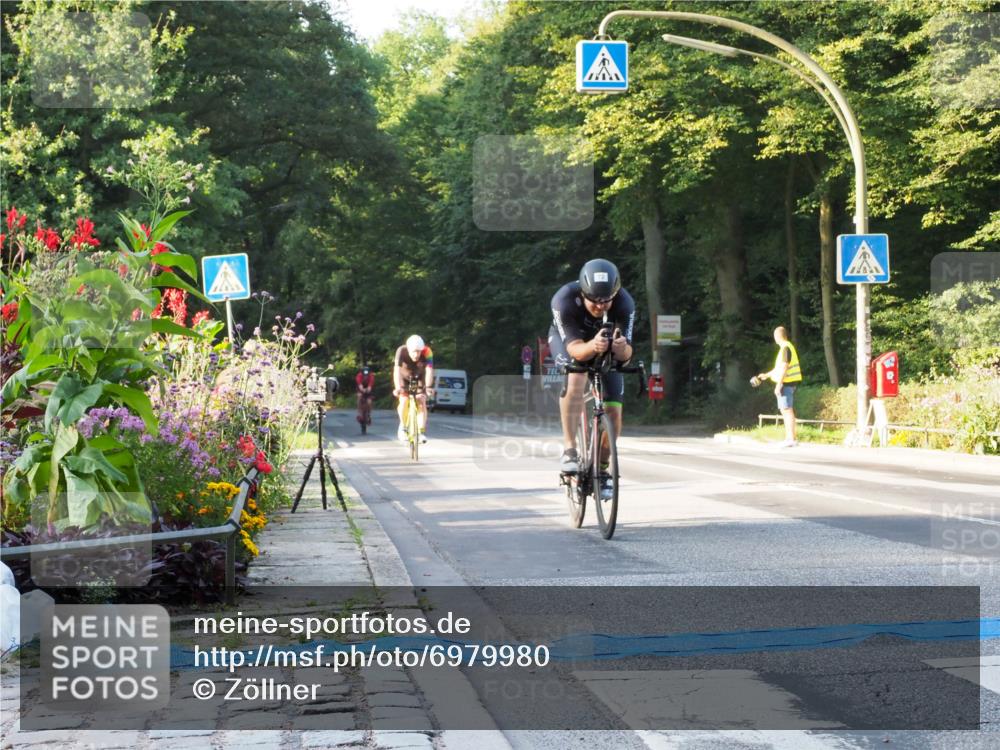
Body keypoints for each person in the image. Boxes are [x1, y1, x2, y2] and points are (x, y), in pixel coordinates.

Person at [550, 258, 635, 499]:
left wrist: (621, 348)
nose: (600, 306)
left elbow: (627, 354)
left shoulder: (625, 302)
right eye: (594, 301)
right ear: (583, 293)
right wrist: (593, 346)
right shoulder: (564, 299)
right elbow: (575, 350)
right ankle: (570, 448)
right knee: (575, 378)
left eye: (606, 300)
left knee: (614, 412)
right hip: (572, 342)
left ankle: (603, 468)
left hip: (606, 347)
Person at [753, 326, 802, 447]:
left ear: (777, 336)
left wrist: (779, 384)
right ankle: (790, 438)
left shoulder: (785, 347)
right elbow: (779, 368)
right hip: (788, 382)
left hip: (786, 383)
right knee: (785, 409)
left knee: (787, 410)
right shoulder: (786, 347)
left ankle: (791, 439)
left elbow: (785, 367)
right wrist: (766, 375)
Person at [393, 335, 434, 444]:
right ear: (408, 349)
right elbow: (396, 371)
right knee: (404, 400)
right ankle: (403, 427)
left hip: (418, 377)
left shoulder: (428, 351)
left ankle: (421, 432)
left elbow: (429, 370)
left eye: (419, 352)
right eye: (414, 352)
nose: (416, 355)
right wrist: (398, 387)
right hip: (404, 378)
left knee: (421, 401)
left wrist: (428, 386)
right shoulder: (401, 350)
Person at [355, 363, 375, 427]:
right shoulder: (359, 376)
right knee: (359, 397)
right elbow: (359, 384)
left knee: (369, 402)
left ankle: (368, 414)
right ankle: (359, 413)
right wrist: (362, 389)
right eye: (364, 375)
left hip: (368, 388)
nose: (366, 376)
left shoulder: (371, 376)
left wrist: (368, 389)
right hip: (360, 388)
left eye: (367, 374)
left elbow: (370, 384)